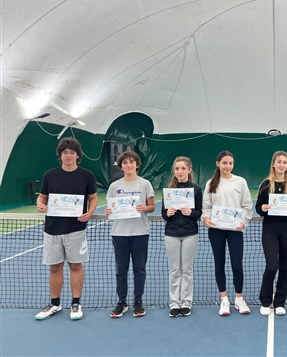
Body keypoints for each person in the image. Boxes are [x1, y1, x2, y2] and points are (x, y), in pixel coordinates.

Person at [35, 137, 98, 321]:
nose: (68, 155)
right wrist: (40, 203)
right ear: (60, 155)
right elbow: (42, 196)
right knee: (55, 268)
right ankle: (55, 304)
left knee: (75, 266)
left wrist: (90, 213)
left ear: (78, 155)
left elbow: (93, 198)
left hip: (76, 229)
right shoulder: (50, 175)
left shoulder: (87, 175)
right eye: (65, 152)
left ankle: (76, 303)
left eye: (72, 152)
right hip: (52, 229)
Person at [202, 151, 253, 316]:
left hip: (235, 230)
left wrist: (243, 221)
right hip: (216, 230)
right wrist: (206, 218)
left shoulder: (240, 182)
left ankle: (239, 298)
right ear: (218, 163)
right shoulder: (211, 183)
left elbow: (247, 206)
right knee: (219, 263)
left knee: (237, 265)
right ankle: (224, 299)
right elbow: (206, 207)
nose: (228, 166)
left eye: (230, 163)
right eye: (224, 163)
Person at [105, 151, 155, 318]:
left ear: (137, 165)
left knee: (139, 269)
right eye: (125, 162)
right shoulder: (114, 186)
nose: (128, 165)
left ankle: (138, 301)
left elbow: (151, 206)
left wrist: (144, 208)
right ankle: (122, 302)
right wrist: (108, 211)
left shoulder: (145, 184)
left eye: (131, 162)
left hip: (140, 232)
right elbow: (110, 208)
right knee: (121, 270)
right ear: (121, 166)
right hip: (119, 233)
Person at [256, 151, 287, 316]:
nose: (282, 165)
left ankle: (280, 302)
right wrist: (262, 208)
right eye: (279, 162)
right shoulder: (265, 184)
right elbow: (258, 208)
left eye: (284, 162)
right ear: (273, 164)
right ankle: (265, 301)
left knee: (285, 266)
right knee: (271, 266)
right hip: (270, 230)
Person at [162, 156, 202, 317]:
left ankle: (186, 302)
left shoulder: (196, 190)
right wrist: (168, 213)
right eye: (177, 169)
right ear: (174, 170)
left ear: (189, 170)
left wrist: (191, 212)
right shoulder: (169, 190)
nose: (180, 171)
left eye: (183, 168)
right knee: (174, 269)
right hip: (171, 234)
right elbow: (164, 213)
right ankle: (174, 303)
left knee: (186, 269)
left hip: (190, 234)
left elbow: (199, 213)